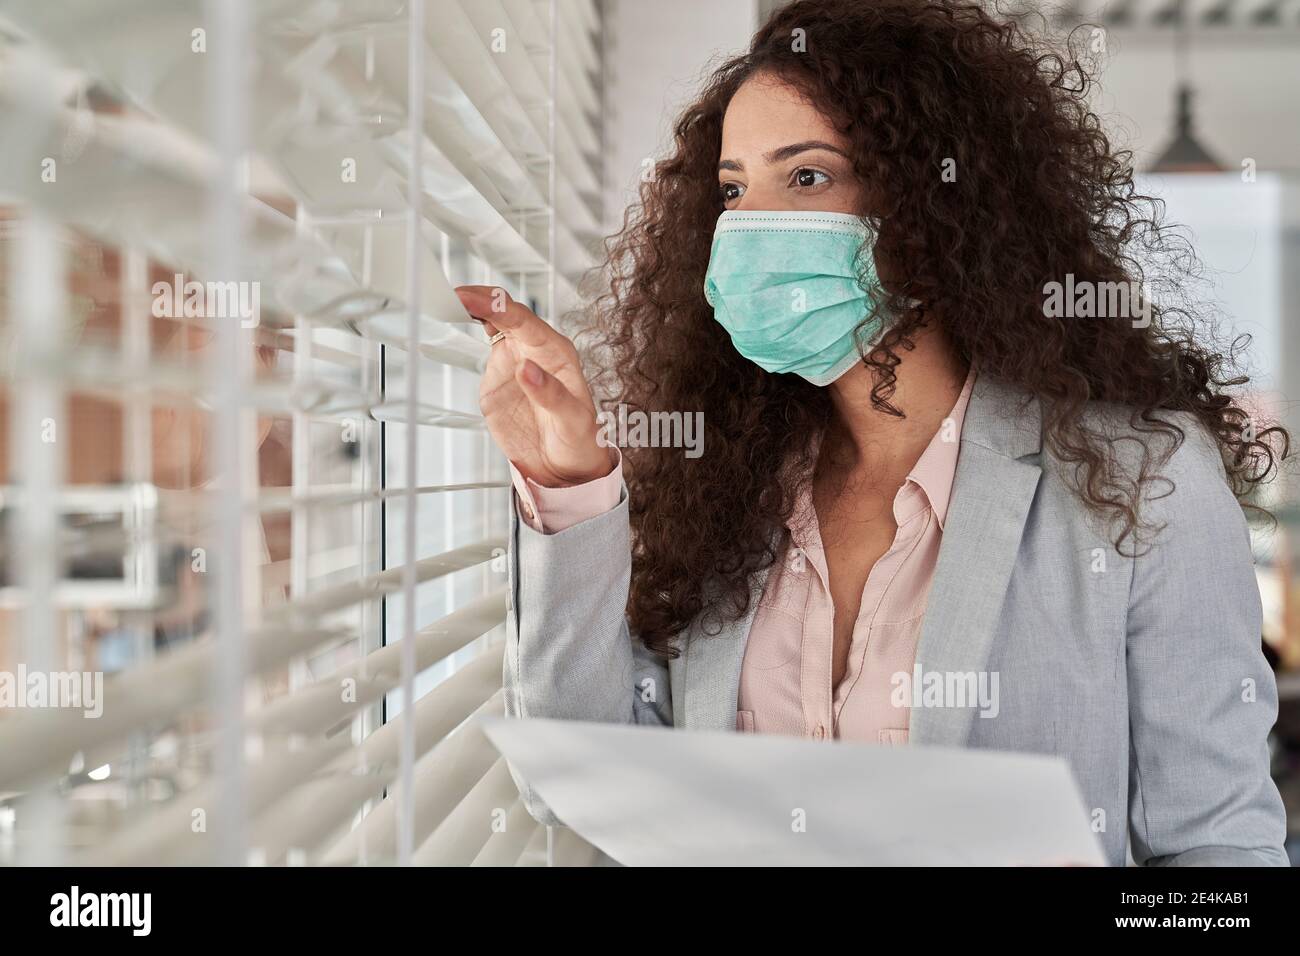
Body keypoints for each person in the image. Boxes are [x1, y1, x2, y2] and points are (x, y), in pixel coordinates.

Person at [457, 0, 1288, 866]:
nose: (748, 226)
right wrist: (569, 480)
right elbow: (589, 780)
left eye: (807, 177)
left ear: (934, 199)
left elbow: (1219, 854)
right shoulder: (721, 492)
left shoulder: (1144, 479)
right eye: (734, 189)